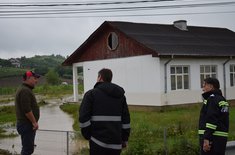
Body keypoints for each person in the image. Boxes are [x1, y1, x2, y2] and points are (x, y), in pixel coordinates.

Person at [79, 68, 131, 155]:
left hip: (97, 143)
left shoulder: (91, 94)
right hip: (116, 145)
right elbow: (126, 120)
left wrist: (88, 136)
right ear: (110, 79)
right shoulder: (121, 96)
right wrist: (125, 139)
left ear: (99, 77)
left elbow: (83, 118)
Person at [198, 77, 229, 155]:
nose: (203, 88)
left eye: (204, 85)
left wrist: (206, 138)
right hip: (221, 139)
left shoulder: (212, 99)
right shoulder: (222, 100)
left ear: (211, 86)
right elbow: (222, 119)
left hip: (212, 139)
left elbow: (211, 120)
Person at [15, 71, 40, 155]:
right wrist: (34, 122)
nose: (36, 81)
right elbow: (27, 110)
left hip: (26, 124)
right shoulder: (25, 91)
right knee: (27, 150)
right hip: (27, 125)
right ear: (28, 78)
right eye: (35, 78)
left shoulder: (25, 89)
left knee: (28, 149)